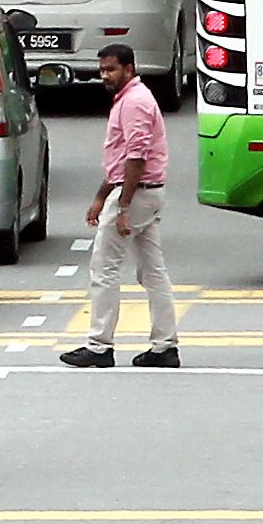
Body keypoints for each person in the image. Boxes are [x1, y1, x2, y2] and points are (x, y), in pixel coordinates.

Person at [63, 42, 180, 368]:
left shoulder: (135, 103)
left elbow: (135, 159)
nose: (105, 76)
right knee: (152, 271)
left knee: (104, 268)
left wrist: (123, 206)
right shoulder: (132, 100)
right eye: (102, 70)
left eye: (111, 69)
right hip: (145, 192)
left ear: (129, 68)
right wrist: (102, 197)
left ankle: (100, 346)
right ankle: (164, 346)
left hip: (137, 193)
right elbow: (120, 161)